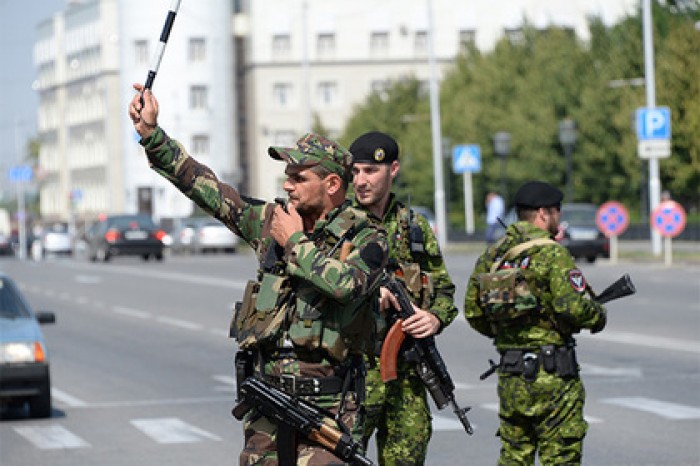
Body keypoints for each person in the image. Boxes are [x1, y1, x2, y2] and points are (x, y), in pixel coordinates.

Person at [129, 85, 388, 465]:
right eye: (287, 176)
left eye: (299, 177)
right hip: (267, 403)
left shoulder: (368, 236)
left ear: (332, 185)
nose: (287, 185)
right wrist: (153, 136)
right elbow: (208, 190)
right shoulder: (270, 221)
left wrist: (296, 243)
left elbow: (347, 286)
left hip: (329, 410)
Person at [464, 180, 607, 465]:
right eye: (557, 211)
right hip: (554, 377)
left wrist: (506, 330)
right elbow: (574, 307)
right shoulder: (553, 253)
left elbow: (473, 312)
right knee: (561, 456)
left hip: (511, 373)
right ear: (543, 213)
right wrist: (597, 315)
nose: (558, 217)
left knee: (515, 456)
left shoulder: (494, 255)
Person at [349, 131, 458, 465]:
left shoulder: (413, 227)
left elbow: (444, 288)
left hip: (405, 376)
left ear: (392, 169)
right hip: (353, 375)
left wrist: (435, 317)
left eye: (370, 171)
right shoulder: (340, 224)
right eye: (355, 172)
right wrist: (364, 288)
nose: (360, 180)